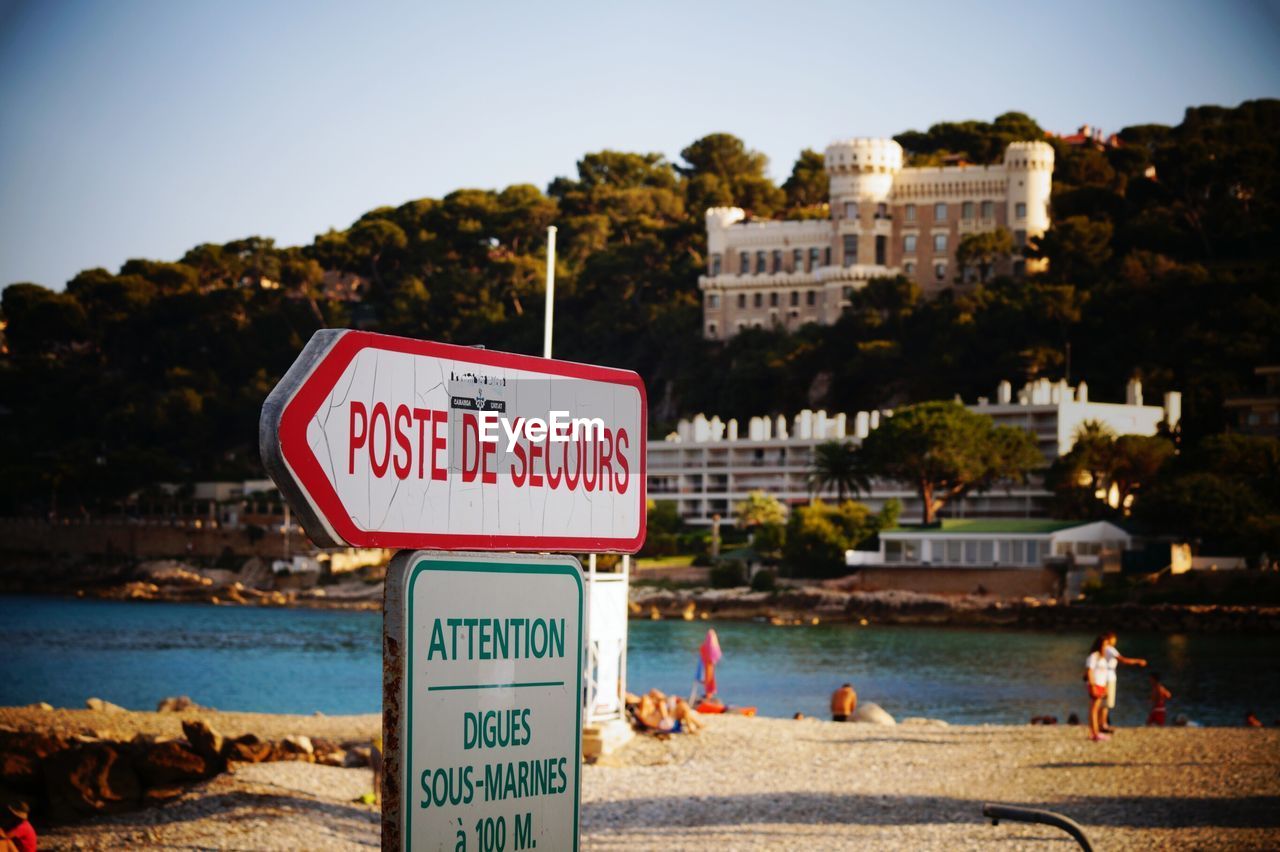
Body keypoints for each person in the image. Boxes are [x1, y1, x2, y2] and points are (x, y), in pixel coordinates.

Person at [1100, 631, 1146, 732]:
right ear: (1109, 639)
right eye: (1114, 639)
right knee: (1106, 703)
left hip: (1104, 677)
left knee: (1104, 702)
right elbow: (1123, 660)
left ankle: (1102, 723)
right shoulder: (1110, 649)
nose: (1115, 641)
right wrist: (1138, 661)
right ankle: (1103, 724)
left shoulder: (1103, 649)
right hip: (1109, 677)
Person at [1084, 635, 1111, 741]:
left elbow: (1104, 674)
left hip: (1101, 684)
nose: (1106, 647)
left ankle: (1095, 732)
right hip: (1095, 684)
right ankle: (1095, 733)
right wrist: (1092, 686)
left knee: (1097, 708)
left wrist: (1106, 687)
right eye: (1104, 644)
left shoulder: (1103, 658)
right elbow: (1089, 671)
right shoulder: (1093, 656)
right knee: (1094, 709)